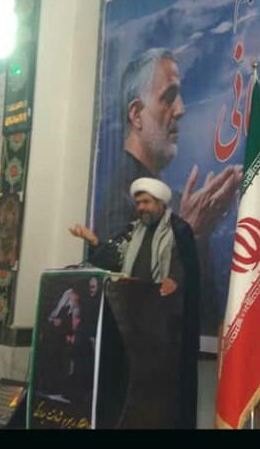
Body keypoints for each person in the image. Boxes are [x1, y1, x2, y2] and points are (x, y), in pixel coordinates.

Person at [94, 48, 242, 334]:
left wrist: (197, 237)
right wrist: (188, 233)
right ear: (136, 114)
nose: (181, 109)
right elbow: (125, 305)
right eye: (169, 97)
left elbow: (203, 315)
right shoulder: (119, 202)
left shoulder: (169, 200)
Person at [70, 177, 200, 429]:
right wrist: (94, 241)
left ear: (160, 203)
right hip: (132, 323)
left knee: (162, 394)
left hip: (164, 327)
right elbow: (114, 260)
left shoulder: (179, 230)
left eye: (146, 202)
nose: (141, 207)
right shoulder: (132, 231)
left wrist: (175, 280)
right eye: (138, 203)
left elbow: (187, 268)